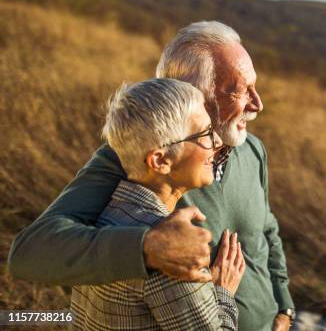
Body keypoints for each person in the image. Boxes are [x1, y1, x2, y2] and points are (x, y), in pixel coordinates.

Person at [8, 21, 295, 331]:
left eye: (254, 87)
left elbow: (266, 230)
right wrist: (148, 247)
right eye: (238, 90)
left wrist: (284, 308)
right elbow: (29, 253)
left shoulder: (252, 149)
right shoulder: (128, 160)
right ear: (188, 93)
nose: (258, 104)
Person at [71, 78, 244, 330]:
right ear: (160, 160)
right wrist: (223, 292)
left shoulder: (101, 213)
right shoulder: (171, 254)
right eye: (205, 133)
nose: (217, 142)